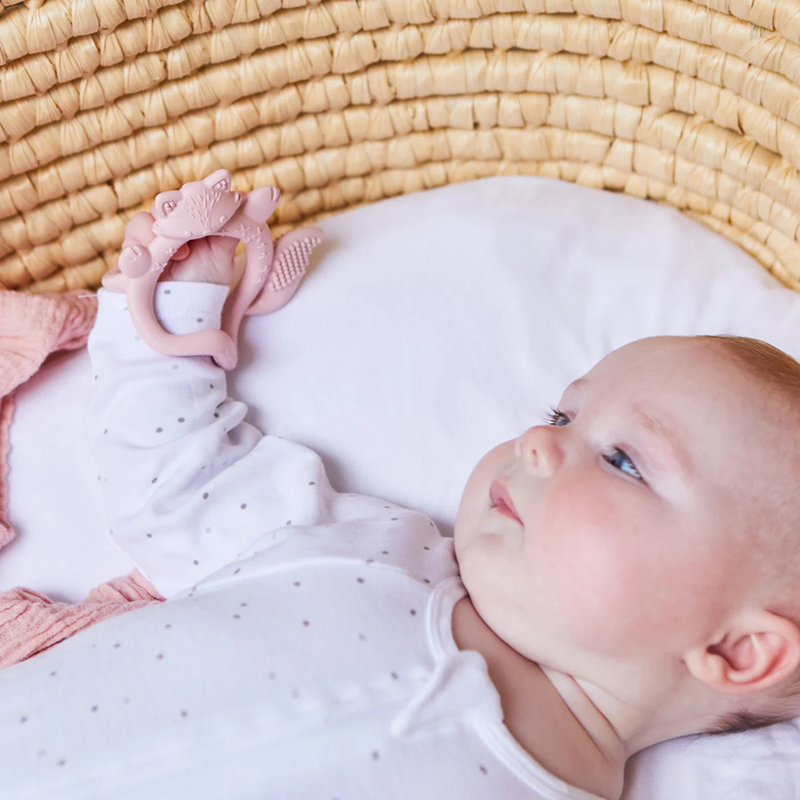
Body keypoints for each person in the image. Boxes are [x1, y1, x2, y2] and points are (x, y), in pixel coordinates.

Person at [4, 211, 800, 800]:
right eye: (563, 414)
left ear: (736, 653)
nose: (536, 440)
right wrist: (173, 310)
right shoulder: (373, 553)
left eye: (623, 460)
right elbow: (181, 484)